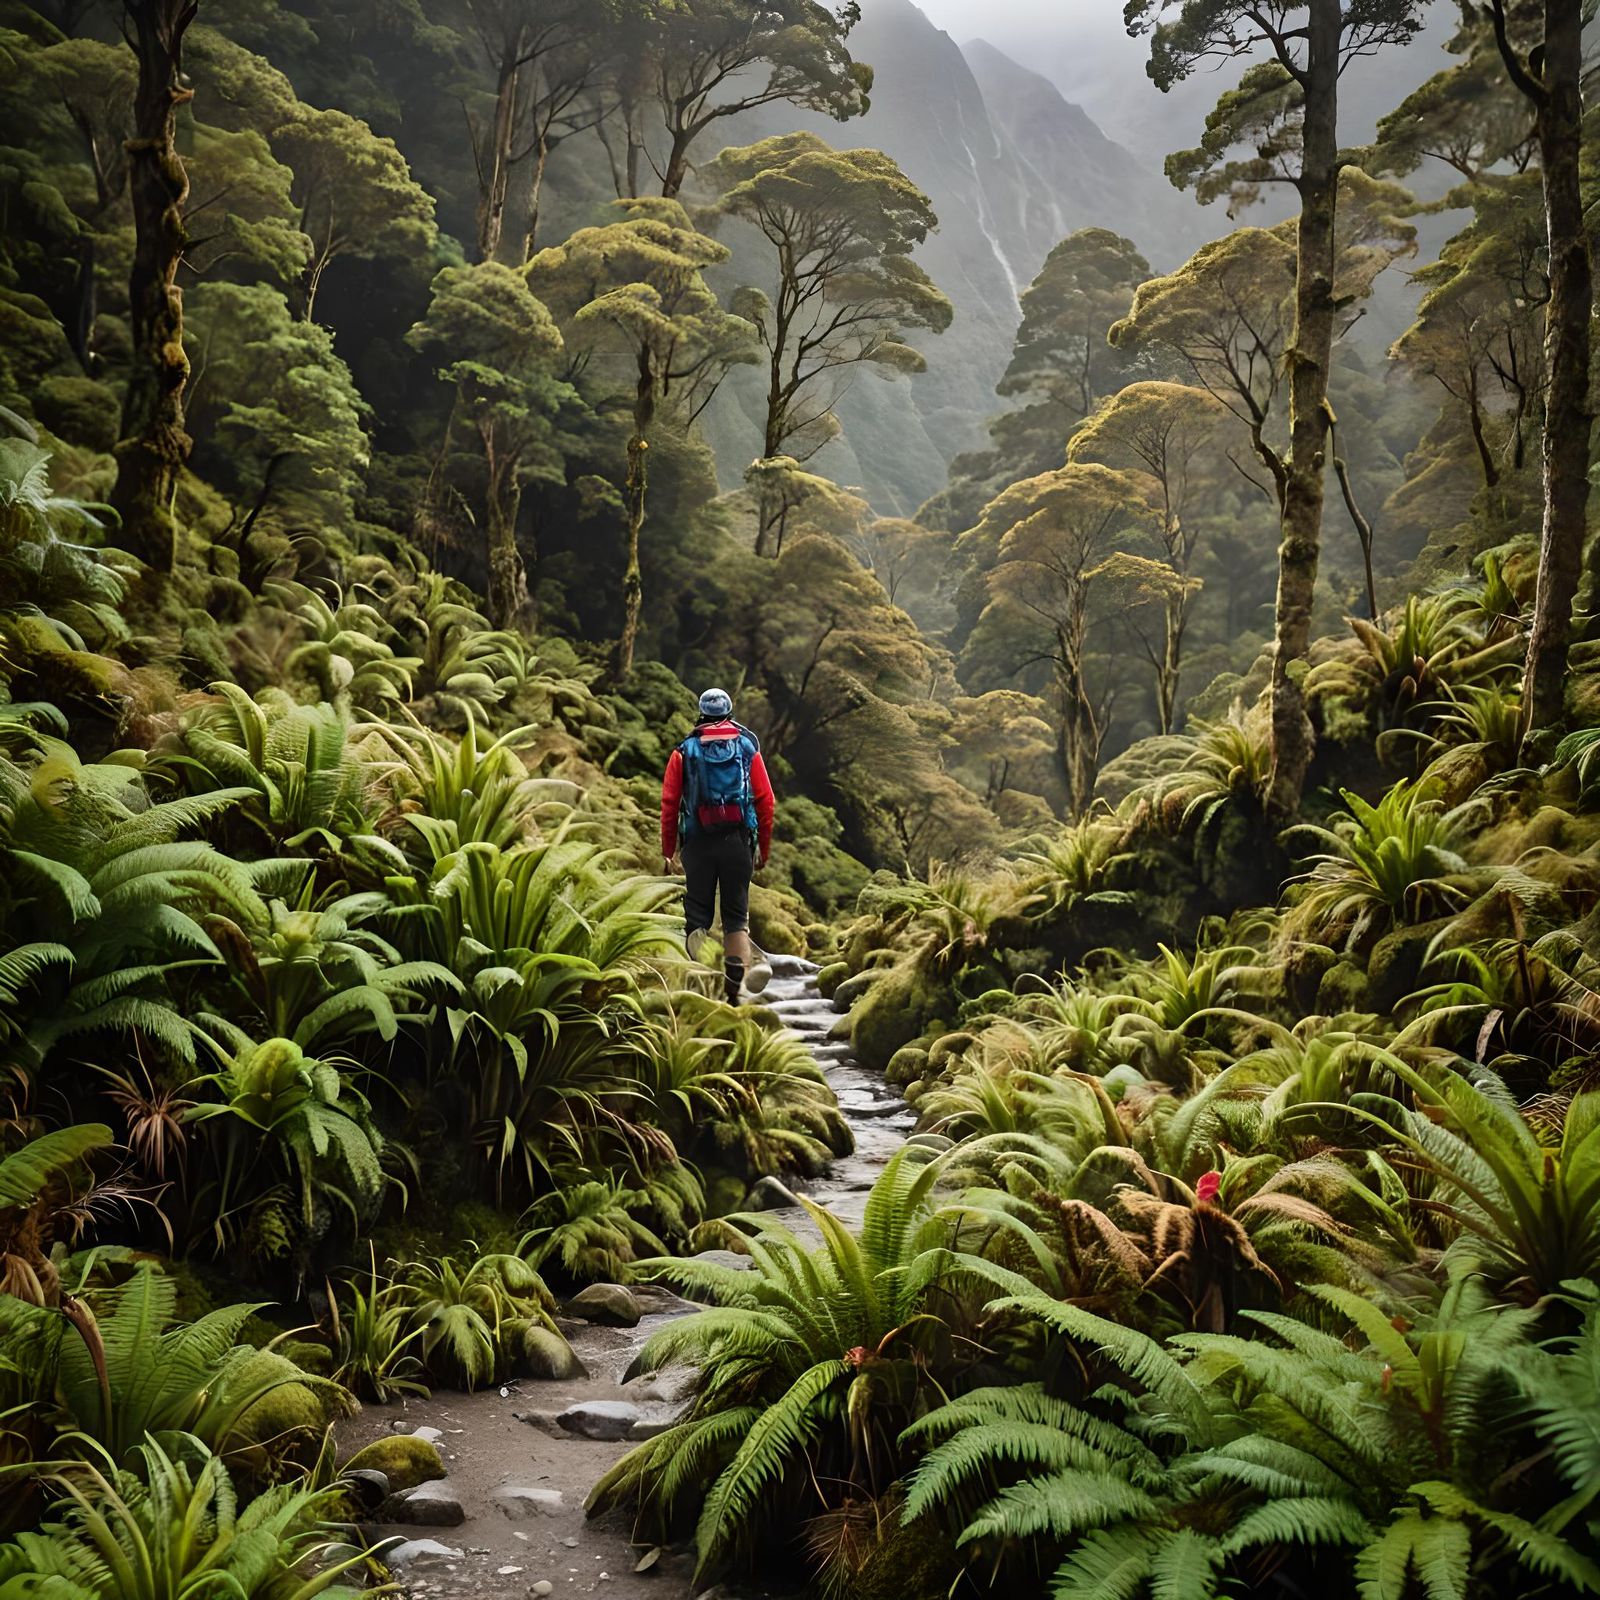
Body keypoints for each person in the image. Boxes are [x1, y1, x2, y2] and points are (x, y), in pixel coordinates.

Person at [660, 687, 774, 1004]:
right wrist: (763, 849)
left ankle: (700, 991)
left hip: (697, 843)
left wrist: (668, 851)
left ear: (701, 712)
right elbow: (766, 801)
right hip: (738, 843)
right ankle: (733, 992)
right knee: (736, 918)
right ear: (729, 712)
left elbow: (669, 805)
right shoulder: (747, 747)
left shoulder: (683, 752)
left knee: (697, 917)